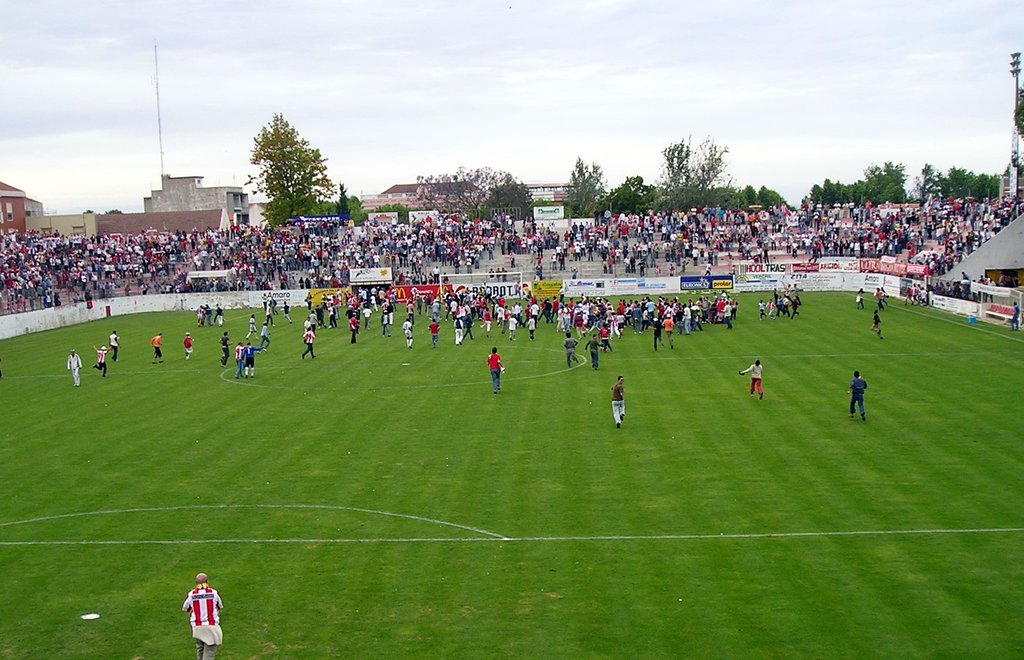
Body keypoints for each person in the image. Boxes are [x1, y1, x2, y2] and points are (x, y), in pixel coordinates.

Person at [182, 572, 224, 660]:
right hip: (211, 627)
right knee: (209, 653)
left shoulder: (191, 594)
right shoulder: (214, 593)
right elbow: (219, 606)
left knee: (200, 651)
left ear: (196, 582)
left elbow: (186, 608)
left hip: (197, 628)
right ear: (207, 581)